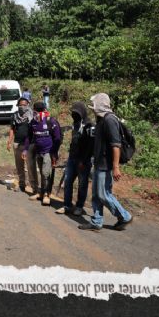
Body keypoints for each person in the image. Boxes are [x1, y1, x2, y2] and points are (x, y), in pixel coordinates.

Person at [79, 93, 133, 232]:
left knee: (103, 194)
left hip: (105, 164)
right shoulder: (101, 120)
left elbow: (116, 145)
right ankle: (96, 222)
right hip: (98, 163)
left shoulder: (110, 120)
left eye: (94, 105)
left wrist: (115, 167)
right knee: (97, 194)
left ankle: (124, 216)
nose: (92, 109)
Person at [55, 102, 94, 216]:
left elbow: (90, 146)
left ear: (82, 112)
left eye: (76, 113)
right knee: (68, 182)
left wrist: (84, 160)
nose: (74, 115)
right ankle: (67, 205)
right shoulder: (75, 123)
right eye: (72, 113)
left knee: (82, 184)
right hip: (72, 159)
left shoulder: (89, 125)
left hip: (83, 161)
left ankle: (79, 206)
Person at [22, 102, 62, 206]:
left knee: (46, 174)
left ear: (44, 110)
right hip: (38, 152)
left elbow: (57, 138)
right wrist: (25, 149)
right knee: (42, 174)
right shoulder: (33, 122)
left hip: (49, 152)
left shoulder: (51, 121)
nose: (37, 113)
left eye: (38, 111)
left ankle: (46, 195)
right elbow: (28, 137)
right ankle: (41, 193)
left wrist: (54, 152)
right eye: (36, 111)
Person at [6, 97, 38, 195]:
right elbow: (12, 129)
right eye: (20, 105)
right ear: (17, 105)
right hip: (17, 144)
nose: (22, 106)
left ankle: (34, 188)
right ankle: (22, 185)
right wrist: (9, 141)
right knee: (19, 166)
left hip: (29, 145)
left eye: (24, 104)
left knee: (31, 166)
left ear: (28, 105)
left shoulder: (33, 115)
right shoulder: (15, 116)